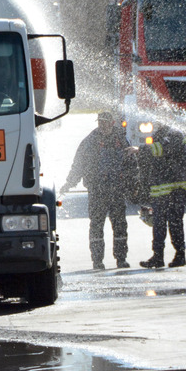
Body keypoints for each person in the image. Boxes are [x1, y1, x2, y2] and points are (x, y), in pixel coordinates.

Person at [61, 111, 131, 269]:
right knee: (97, 225)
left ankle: (121, 258)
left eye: (105, 122)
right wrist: (69, 183)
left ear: (112, 123)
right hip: (97, 191)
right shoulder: (89, 141)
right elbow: (78, 164)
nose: (102, 125)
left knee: (120, 225)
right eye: (100, 122)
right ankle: (97, 261)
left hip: (117, 190)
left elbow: (130, 163)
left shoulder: (120, 139)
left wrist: (134, 184)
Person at [136, 124, 186, 268]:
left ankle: (180, 255)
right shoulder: (161, 132)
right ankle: (158, 257)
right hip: (162, 186)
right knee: (159, 223)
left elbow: (163, 149)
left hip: (174, 187)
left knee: (174, 222)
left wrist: (140, 150)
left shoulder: (175, 133)